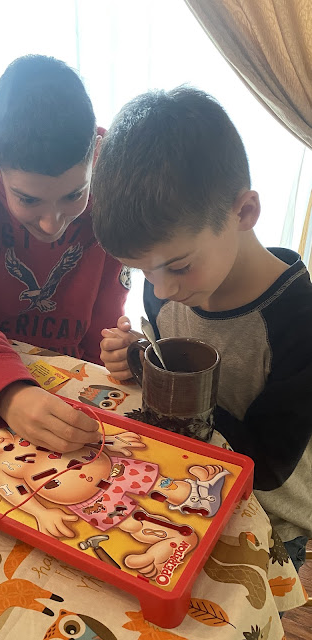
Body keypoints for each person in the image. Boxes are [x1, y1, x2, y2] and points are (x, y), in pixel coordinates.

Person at [91, 87, 312, 573]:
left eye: (178, 266)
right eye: (143, 271)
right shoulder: (166, 287)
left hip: (269, 516)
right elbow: (167, 357)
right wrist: (136, 354)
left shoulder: (297, 321)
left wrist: (160, 380)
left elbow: (271, 467)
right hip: (179, 479)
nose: (162, 289)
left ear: (244, 213)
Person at [0, 55, 129, 454]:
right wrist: (9, 393)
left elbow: (109, 307)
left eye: (74, 195)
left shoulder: (116, 171)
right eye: (28, 199)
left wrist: (118, 352)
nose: (52, 224)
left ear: (97, 156)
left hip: (82, 382)